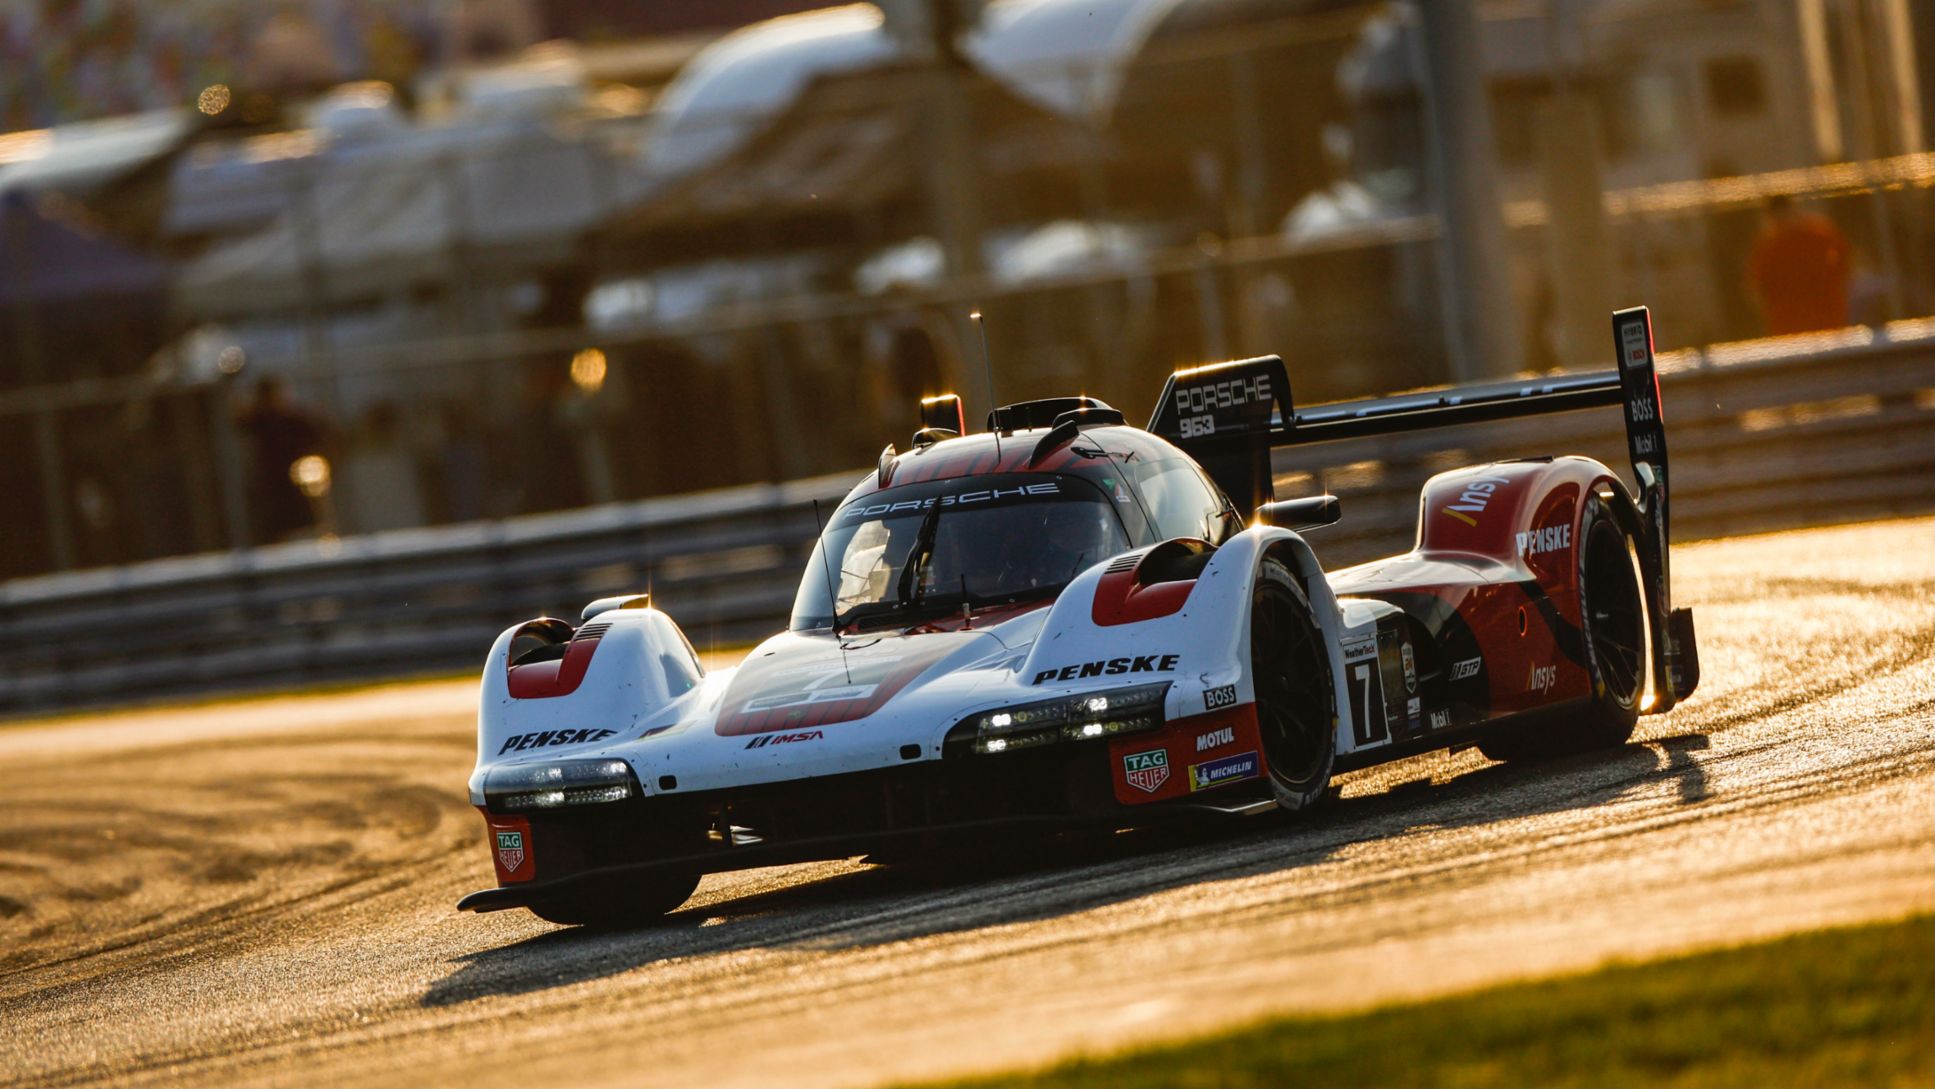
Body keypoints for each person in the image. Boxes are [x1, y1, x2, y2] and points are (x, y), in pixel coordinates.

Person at [236, 375, 327, 544]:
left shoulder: (293, 420)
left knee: (303, 528)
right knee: (277, 530)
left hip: (294, 484)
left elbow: (322, 436)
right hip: (271, 487)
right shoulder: (260, 421)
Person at [1745, 195, 1852, 336]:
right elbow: (1845, 264)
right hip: (1823, 319)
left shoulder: (1768, 247)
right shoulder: (1820, 234)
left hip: (1792, 325)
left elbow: (1758, 290)